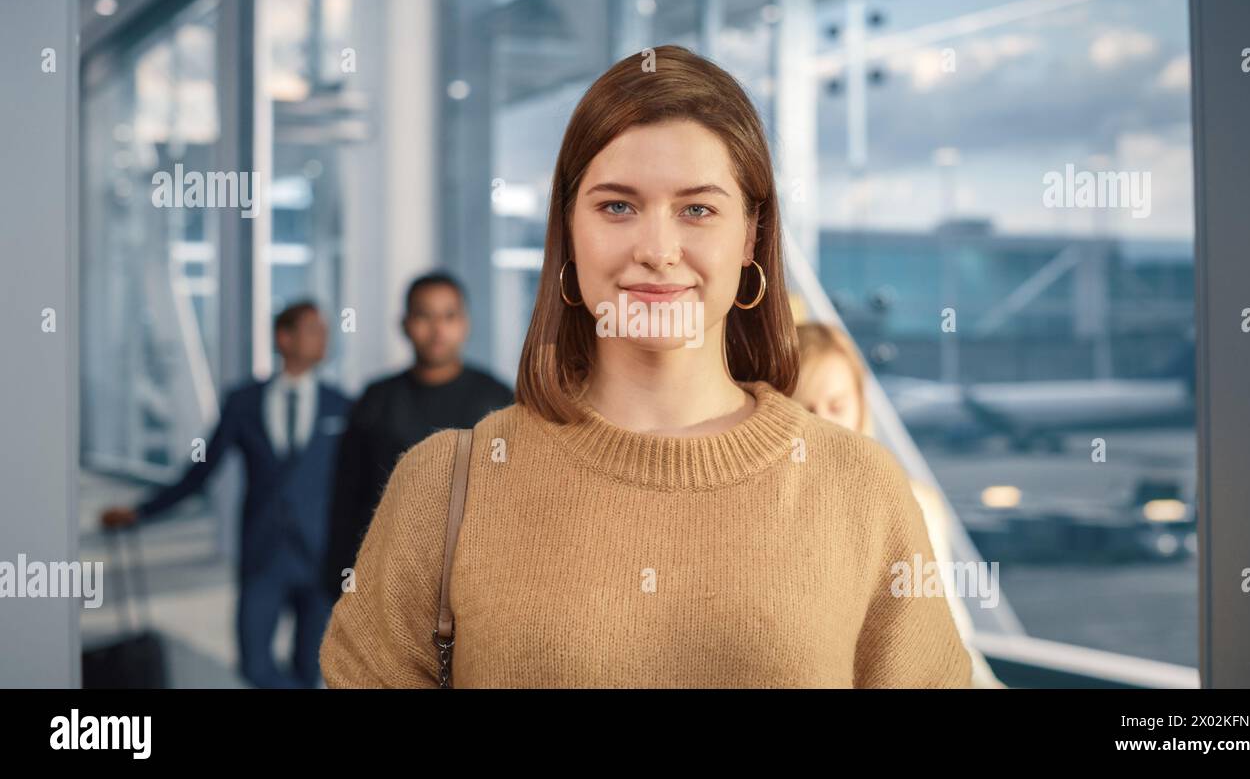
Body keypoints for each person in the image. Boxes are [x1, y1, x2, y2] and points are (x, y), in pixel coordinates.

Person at [318, 45, 971, 688]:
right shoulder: (443, 487)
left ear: (750, 237)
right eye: (617, 206)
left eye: (697, 209)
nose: (657, 250)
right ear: (568, 231)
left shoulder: (859, 487)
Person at [102, 301, 350, 688]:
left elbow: (361, 484)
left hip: (321, 560)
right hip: (262, 555)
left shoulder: (342, 405)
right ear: (283, 337)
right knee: (254, 666)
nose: (323, 338)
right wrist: (141, 512)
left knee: (311, 666)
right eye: (312, 330)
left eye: (325, 330)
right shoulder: (244, 402)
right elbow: (201, 471)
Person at [793, 321, 1005, 688]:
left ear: (860, 405)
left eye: (837, 406)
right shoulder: (772, 521)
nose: (827, 426)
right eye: (807, 411)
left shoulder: (914, 502)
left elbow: (951, 636)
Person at [321, 272, 513, 599]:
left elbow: (514, 500)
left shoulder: (497, 400)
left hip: (473, 579)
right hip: (388, 575)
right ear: (406, 324)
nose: (438, 329)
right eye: (424, 315)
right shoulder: (376, 399)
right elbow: (347, 495)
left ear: (464, 324)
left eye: (449, 316)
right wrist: (338, 574)